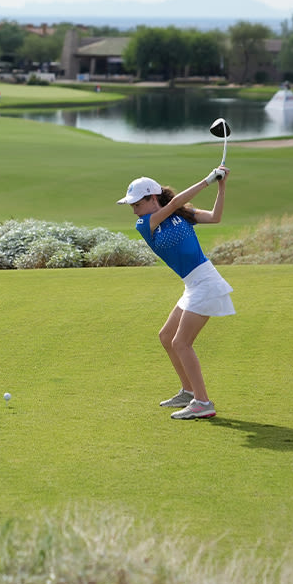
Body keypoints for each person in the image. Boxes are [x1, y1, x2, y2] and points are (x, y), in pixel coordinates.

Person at [117, 166, 233, 420]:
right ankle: (189, 391)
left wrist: (220, 187)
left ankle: (203, 402)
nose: (134, 209)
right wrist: (207, 180)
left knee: (181, 342)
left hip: (206, 281)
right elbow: (173, 204)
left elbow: (215, 217)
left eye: (137, 203)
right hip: (193, 284)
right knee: (166, 335)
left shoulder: (182, 213)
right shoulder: (144, 223)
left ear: (152, 198)